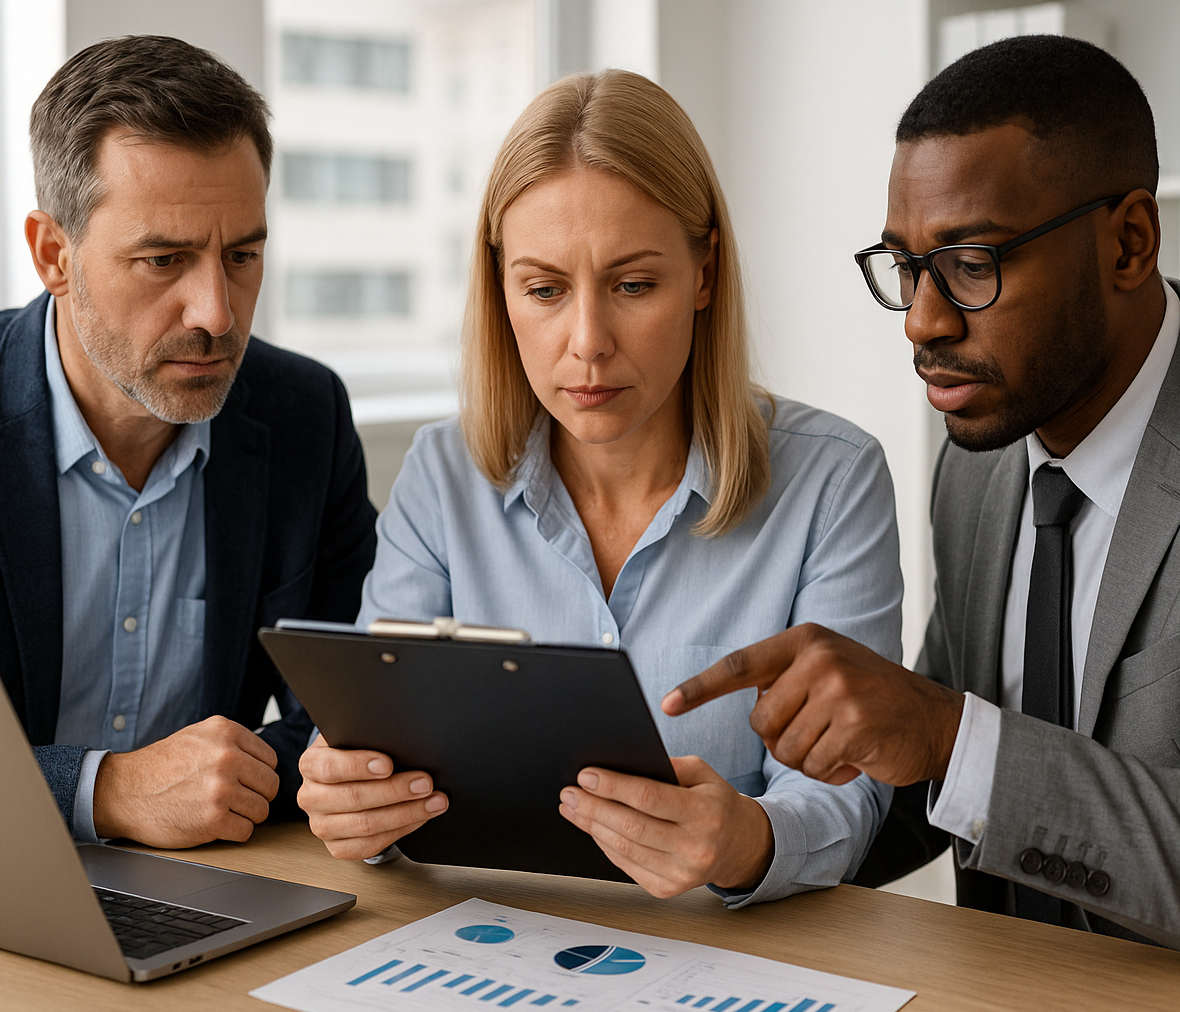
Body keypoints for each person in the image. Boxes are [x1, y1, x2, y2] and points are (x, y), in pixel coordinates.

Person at [667, 35, 1180, 992]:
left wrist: (947, 733)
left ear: (1129, 241)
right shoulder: (980, 465)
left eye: (972, 263)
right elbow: (935, 784)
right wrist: (753, 840)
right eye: (905, 265)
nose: (923, 320)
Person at [296, 69, 903, 906]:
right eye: (544, 290)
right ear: (501, 289)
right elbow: (370, 750)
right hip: (485, 940)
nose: (587, 343)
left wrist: (746, 840)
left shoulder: (833, 480)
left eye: (633, 286)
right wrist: (351, 804)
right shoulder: (442, 477)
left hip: (726, 960)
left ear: (704, 274)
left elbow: (848, 793)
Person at [0, 36, 377, 850]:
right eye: (163, 259)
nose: (217, 311)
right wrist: (103, 791)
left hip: (214, 888)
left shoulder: (303, 415)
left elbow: (356, 724)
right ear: (53, 255)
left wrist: (232, 784)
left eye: (242, 255)